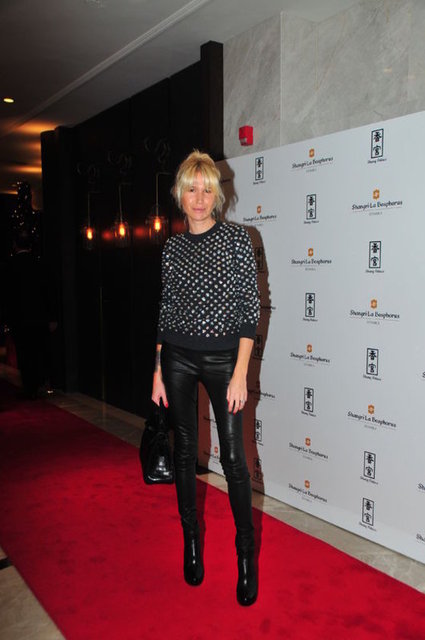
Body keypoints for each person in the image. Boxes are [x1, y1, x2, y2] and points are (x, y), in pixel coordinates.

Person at [152, 150, 260, 606]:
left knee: (233, 460)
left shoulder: (237, 239)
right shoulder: (172, 248)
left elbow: (250, 311)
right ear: (180, 194)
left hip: (222, 361)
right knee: (183, 453)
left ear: (218, 195)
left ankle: (245, 554)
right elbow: (166, 310)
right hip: (177, 358)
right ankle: (191, 541)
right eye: (191, 189)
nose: (199, 198)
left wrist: (240, 373)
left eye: (207, 189)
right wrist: (158, 370)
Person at [2, 230, 57, 399]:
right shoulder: (39, 264)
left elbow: (7, 295)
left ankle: (29, 386)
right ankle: (39, 382)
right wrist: (51, 316)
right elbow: (48, 291)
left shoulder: (10, 266)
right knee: (38, 350)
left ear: (15, 245)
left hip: (19, 318)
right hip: (39, 316)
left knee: (24, 352)